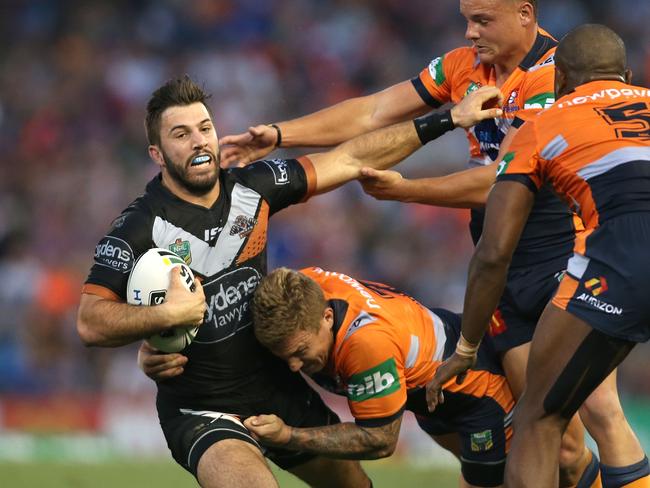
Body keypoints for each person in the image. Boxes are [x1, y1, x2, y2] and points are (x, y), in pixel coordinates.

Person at [218, 1, 642, 484]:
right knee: (553, 441)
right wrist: (279, 134)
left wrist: (406, 189)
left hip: (560, 257)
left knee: (600, 412)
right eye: (466, 18)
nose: (468, 32)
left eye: (482, 20)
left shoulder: (554, 78)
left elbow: (500, 186)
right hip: (502, 270)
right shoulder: (463, 68)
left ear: (524, 14)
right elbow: (373, 110)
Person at [76, 76, 501, 487]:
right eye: (181, 134)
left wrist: (446, 120)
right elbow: (90, 322)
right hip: (202, 408)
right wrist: (166, 317)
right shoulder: (136, 229)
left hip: (277, 388)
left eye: (204, 128)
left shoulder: (252, 188)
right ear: (157, 153)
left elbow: (350, 158)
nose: (198, 141)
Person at [426, 24, 650, 487]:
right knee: (607, 416)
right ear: (626, 75)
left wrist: (467, 346)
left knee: (541, 415)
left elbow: (493, 252)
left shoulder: (540, 125)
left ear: (560, 80)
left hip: (624, 256)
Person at [245, 266, 515, 488]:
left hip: (477, 392)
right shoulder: (301, 291)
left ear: (327, 317)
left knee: (531, 474)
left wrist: (289, 436)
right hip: (428, 394)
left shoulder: (365, 344)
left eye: (301, 351)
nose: (293, 366)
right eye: (282, 354)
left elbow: (380, 439)